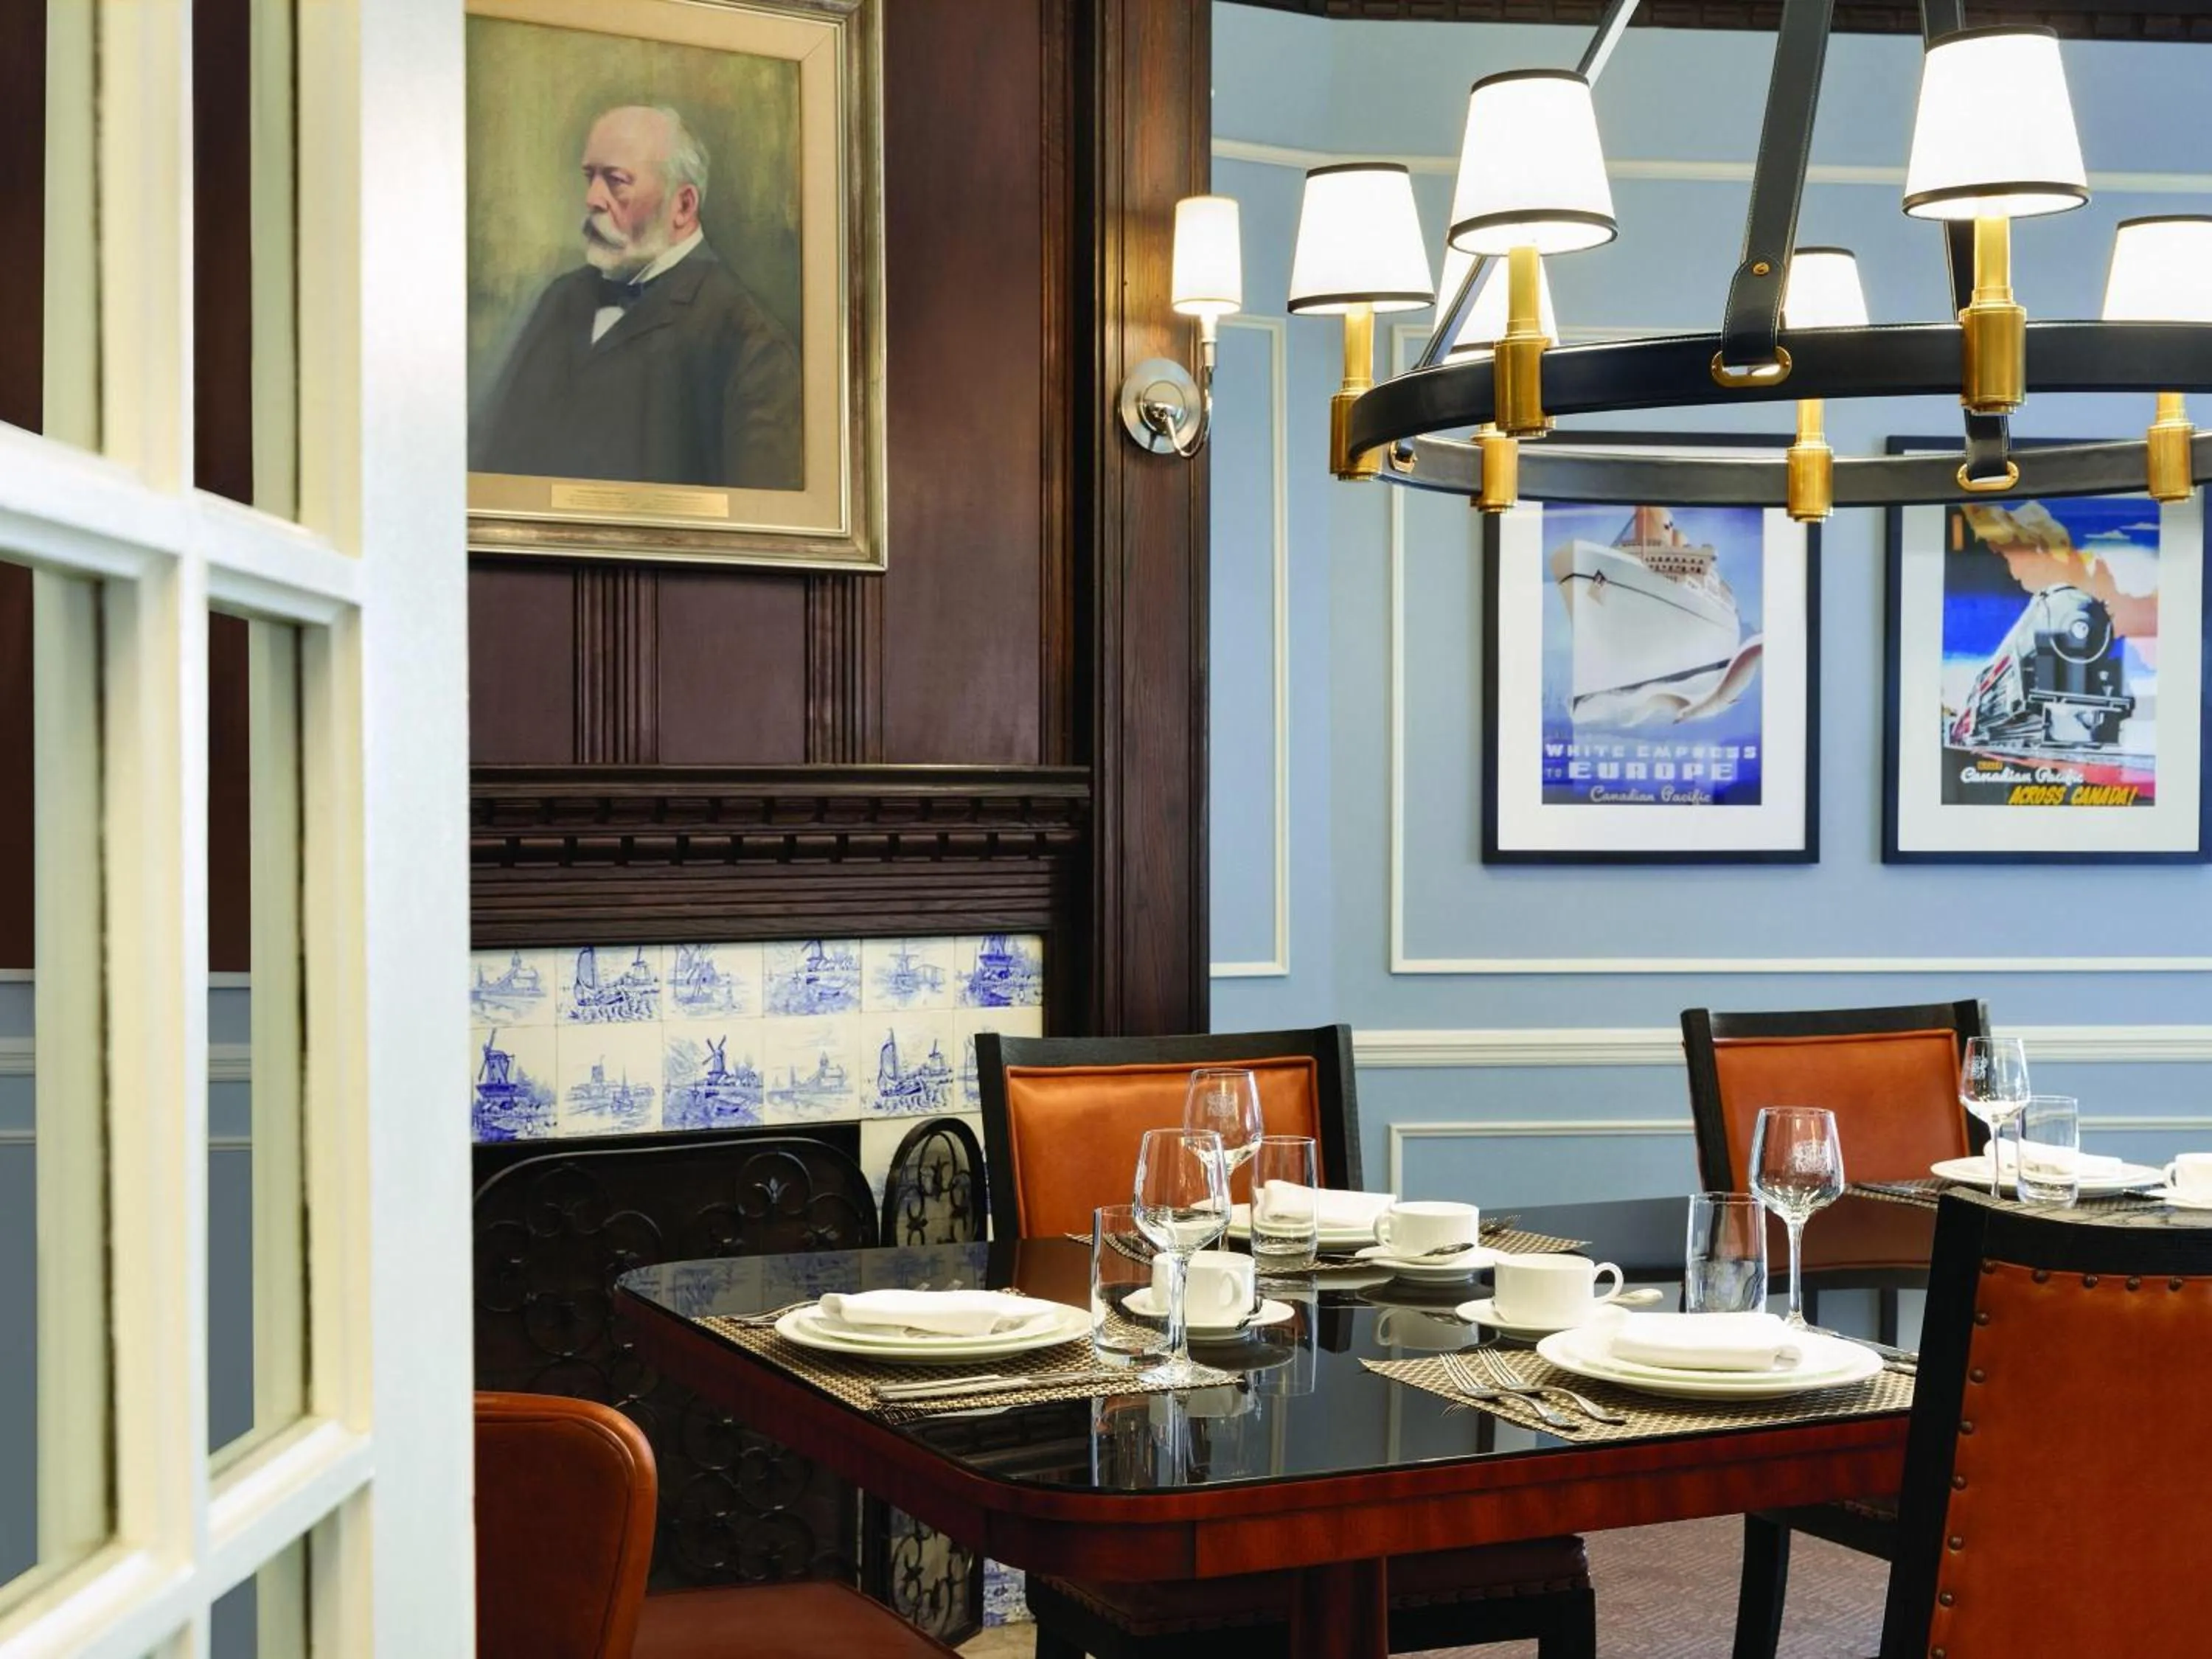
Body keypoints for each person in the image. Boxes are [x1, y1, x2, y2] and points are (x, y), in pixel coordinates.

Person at [472, 104, 803, 492]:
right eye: (590, 177)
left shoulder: (751, 344)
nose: (593, 199)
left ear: (683, 206)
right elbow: (490, 460)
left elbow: (760, 515)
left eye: (616, 181)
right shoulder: (562, 299)